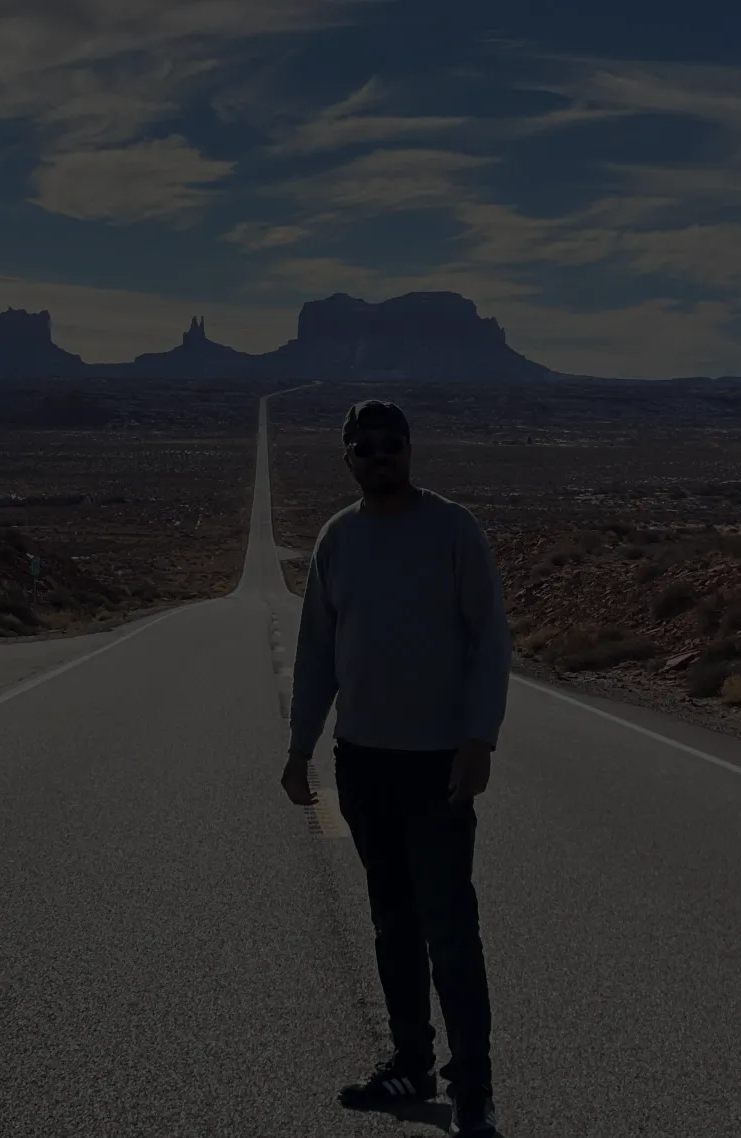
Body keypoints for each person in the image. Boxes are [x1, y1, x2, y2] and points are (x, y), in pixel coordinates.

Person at [280, 399, 511, 1136]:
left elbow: (490, 638)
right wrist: (300, 746)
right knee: (393, 924)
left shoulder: (453, 529)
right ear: (348, 459)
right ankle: (411, 1062)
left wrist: (479, 739)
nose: (381, 457)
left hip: (439, 763)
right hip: (364, 762)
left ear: (410, 450)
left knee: (450, 928)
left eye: (392, 444)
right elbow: (318, 649)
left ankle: (472, 1087)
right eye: (366, 448)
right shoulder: (338, 538)